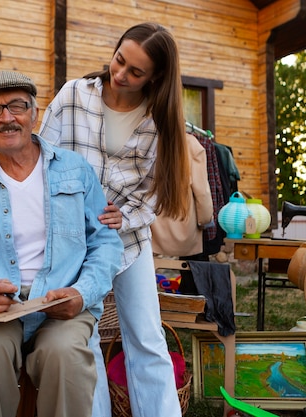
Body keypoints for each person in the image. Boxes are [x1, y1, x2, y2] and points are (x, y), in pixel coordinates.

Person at [0, 70, 124, 417]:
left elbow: (106, 244)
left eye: (17, 106)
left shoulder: (74, 170)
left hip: (62, 305)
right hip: (0, 313)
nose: (7, 118)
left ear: (34, 114)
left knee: (65, 356)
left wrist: (82, 292)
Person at [39, 22, 191, 417]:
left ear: (155, 77)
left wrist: (125, 216)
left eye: (135, 72)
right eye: (119, 60)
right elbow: (42, 160)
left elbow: (159, 189)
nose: (120, 74)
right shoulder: (74, 95)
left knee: (146, 337)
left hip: (129, 240)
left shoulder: (161, 119)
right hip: (74, 240)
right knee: (83, 336)